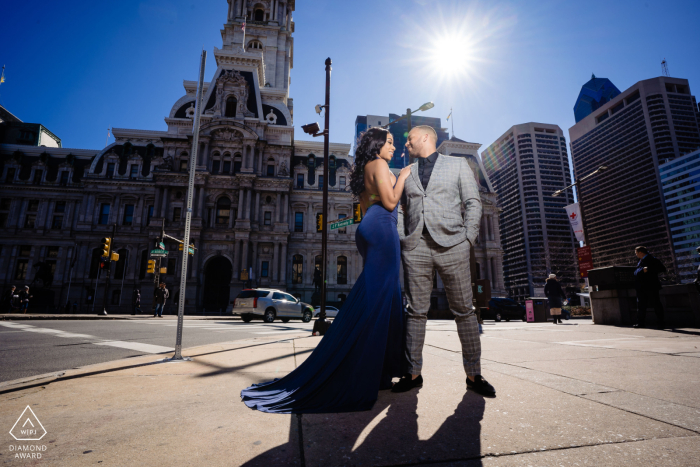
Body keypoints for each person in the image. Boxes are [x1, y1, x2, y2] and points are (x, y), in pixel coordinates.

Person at [241, 127, 411, 413]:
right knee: (382, 302)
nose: (393, 148)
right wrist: (403, 176)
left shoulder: (363, 170)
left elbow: (372, 205)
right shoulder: (379, 164)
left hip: (370, 228)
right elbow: (391, 202)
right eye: (390, 142)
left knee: (383, 301)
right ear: (378, 145)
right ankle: (365, 371)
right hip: (382, 230)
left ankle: (378, 372)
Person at [392, 125, 495, 397]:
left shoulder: (458, 164)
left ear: (425, 138)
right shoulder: (406, 172)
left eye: (410, 140)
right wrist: (404, 238)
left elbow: (474, 202)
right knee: (416, 311)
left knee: (464, 311)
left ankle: (474, 375)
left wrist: (468, 239)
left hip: (453, 245)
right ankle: (413, 374)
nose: (406, 145)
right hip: (416, 247)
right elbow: (400, 208)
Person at [633, 246, 666, 329]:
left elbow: (662, 268)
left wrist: (649, 269)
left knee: (656, 304)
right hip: (642, 287)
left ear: (641, 252)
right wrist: (642, 270)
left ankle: (660, 323)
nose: (636, 255)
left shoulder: (652, 259)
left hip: (651, 286)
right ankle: (640, 323)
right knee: (641, 306)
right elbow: (636, 272)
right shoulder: (641, 261)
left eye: (636, 253)